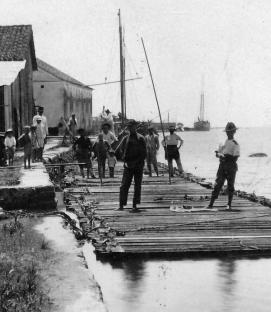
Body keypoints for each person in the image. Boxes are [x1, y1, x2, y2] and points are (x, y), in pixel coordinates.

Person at [207, 122, 240, 210]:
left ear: (234, 132)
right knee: (218, 184)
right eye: (227, 132)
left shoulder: (235, 144)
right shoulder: (224, 143)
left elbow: (236, 157)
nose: (228, 133)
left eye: (230, 131)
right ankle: (211, 204)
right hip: (222, 166)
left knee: (230, 186)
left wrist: (225, 157)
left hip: (231, 166)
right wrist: (218, 154)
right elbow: (218, 152)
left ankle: (229, 204)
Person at [118, 120, 147, 212]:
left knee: (137, 185)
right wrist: (123, 158)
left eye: (132, 126)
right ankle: (121, 205)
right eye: (129, 127)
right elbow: (121, 151)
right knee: (124, 185)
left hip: (138, 165)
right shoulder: (125, 138)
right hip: (128, 165)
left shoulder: (141, 138)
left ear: (136, 127)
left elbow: (144, 154)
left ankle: (135, 205)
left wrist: (136, 162)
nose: (131, 128)